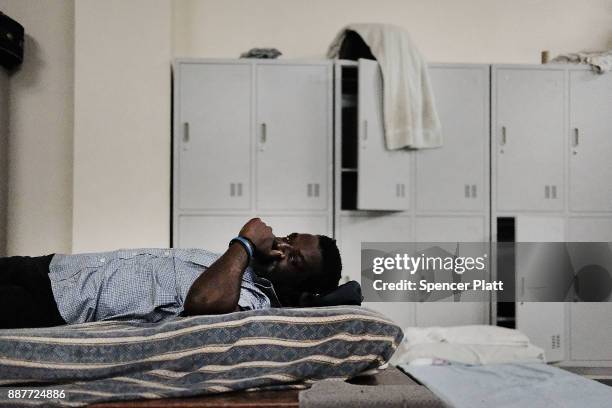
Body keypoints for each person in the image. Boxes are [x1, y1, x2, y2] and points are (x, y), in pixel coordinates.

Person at [0, 218, 342, 329]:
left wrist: (245, 244)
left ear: (300, 292)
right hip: (57, 268)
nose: (283, 247)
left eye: (295, 260)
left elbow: (203, 304)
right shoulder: (238, 271)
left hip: (59, 304)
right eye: (290, 239)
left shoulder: (252, 303)